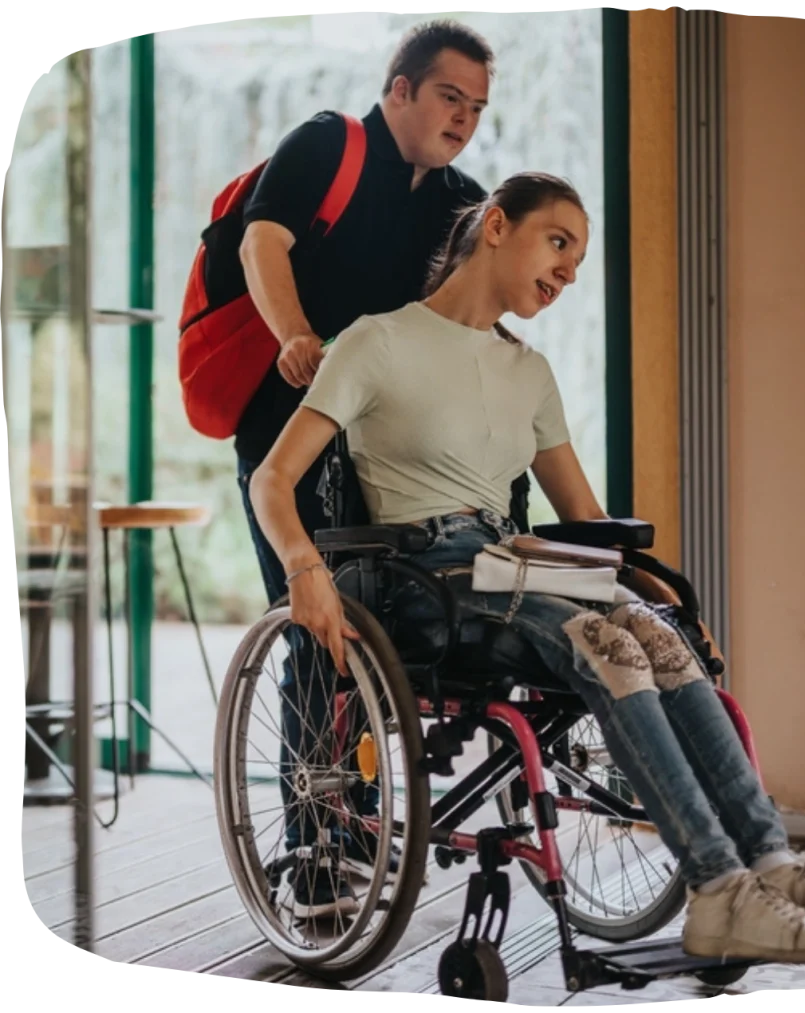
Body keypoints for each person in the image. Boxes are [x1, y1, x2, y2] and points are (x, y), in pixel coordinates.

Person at [248, 171, 805, 962]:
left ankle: (772, 865)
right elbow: (272, 480)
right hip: (420, 579)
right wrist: (301, 568)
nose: (568, 271)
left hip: (512, 563)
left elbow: (586, 522)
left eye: (578, 259)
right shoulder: (377, 341)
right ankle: (719, 888)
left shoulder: (526, 372)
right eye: (557, 243)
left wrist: (654, 586)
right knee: (611, 642)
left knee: (657, 635)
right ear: (495, 226)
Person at [234, 19, 495, 917]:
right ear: (401, 90)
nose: (463, 117)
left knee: (384, 644)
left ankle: (364, 824)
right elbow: (260, 244)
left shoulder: (461, 195)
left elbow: (468, 310)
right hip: (290, 432)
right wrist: (296, 336)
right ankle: (315, 852)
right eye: (449, 96)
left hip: (387, 451)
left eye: (477, 105)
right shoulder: (326, 145)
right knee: (315, 636)